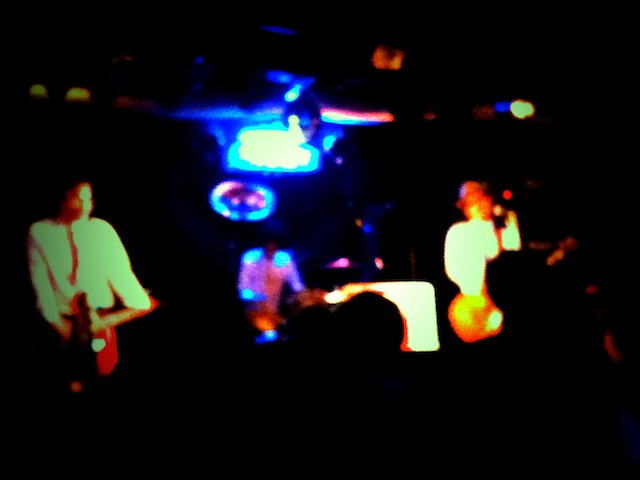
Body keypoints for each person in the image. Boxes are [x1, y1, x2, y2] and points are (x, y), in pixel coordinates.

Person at [26, 174, 159, 397]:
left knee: (100, 380)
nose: (85, 205)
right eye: (78, 198)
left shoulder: (101, 231)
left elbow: (124, 280)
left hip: (98, 322)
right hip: (60, 326)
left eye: (89, 199)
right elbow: (41, 287)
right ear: (63, 198)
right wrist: (63, 329)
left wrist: (102, 323)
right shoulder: (41, 232)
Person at [443, 180, 522, 344]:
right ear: (463, 206)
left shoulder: (504, 223)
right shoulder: (459, 232)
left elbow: (514, 254)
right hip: (474, 302)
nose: (478, 204)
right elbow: (456, 271)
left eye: (481, 198)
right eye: (471, 201)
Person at [237, 234, 306, 339]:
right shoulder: (250, 257)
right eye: (268, 245)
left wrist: (303, 295)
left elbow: (296, 283)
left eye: (274, 245)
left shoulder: (284, 259)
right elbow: (242, 287)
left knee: (276, 334)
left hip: (272, 312)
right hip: (251, 312)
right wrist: (256, 297)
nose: (271, 248)